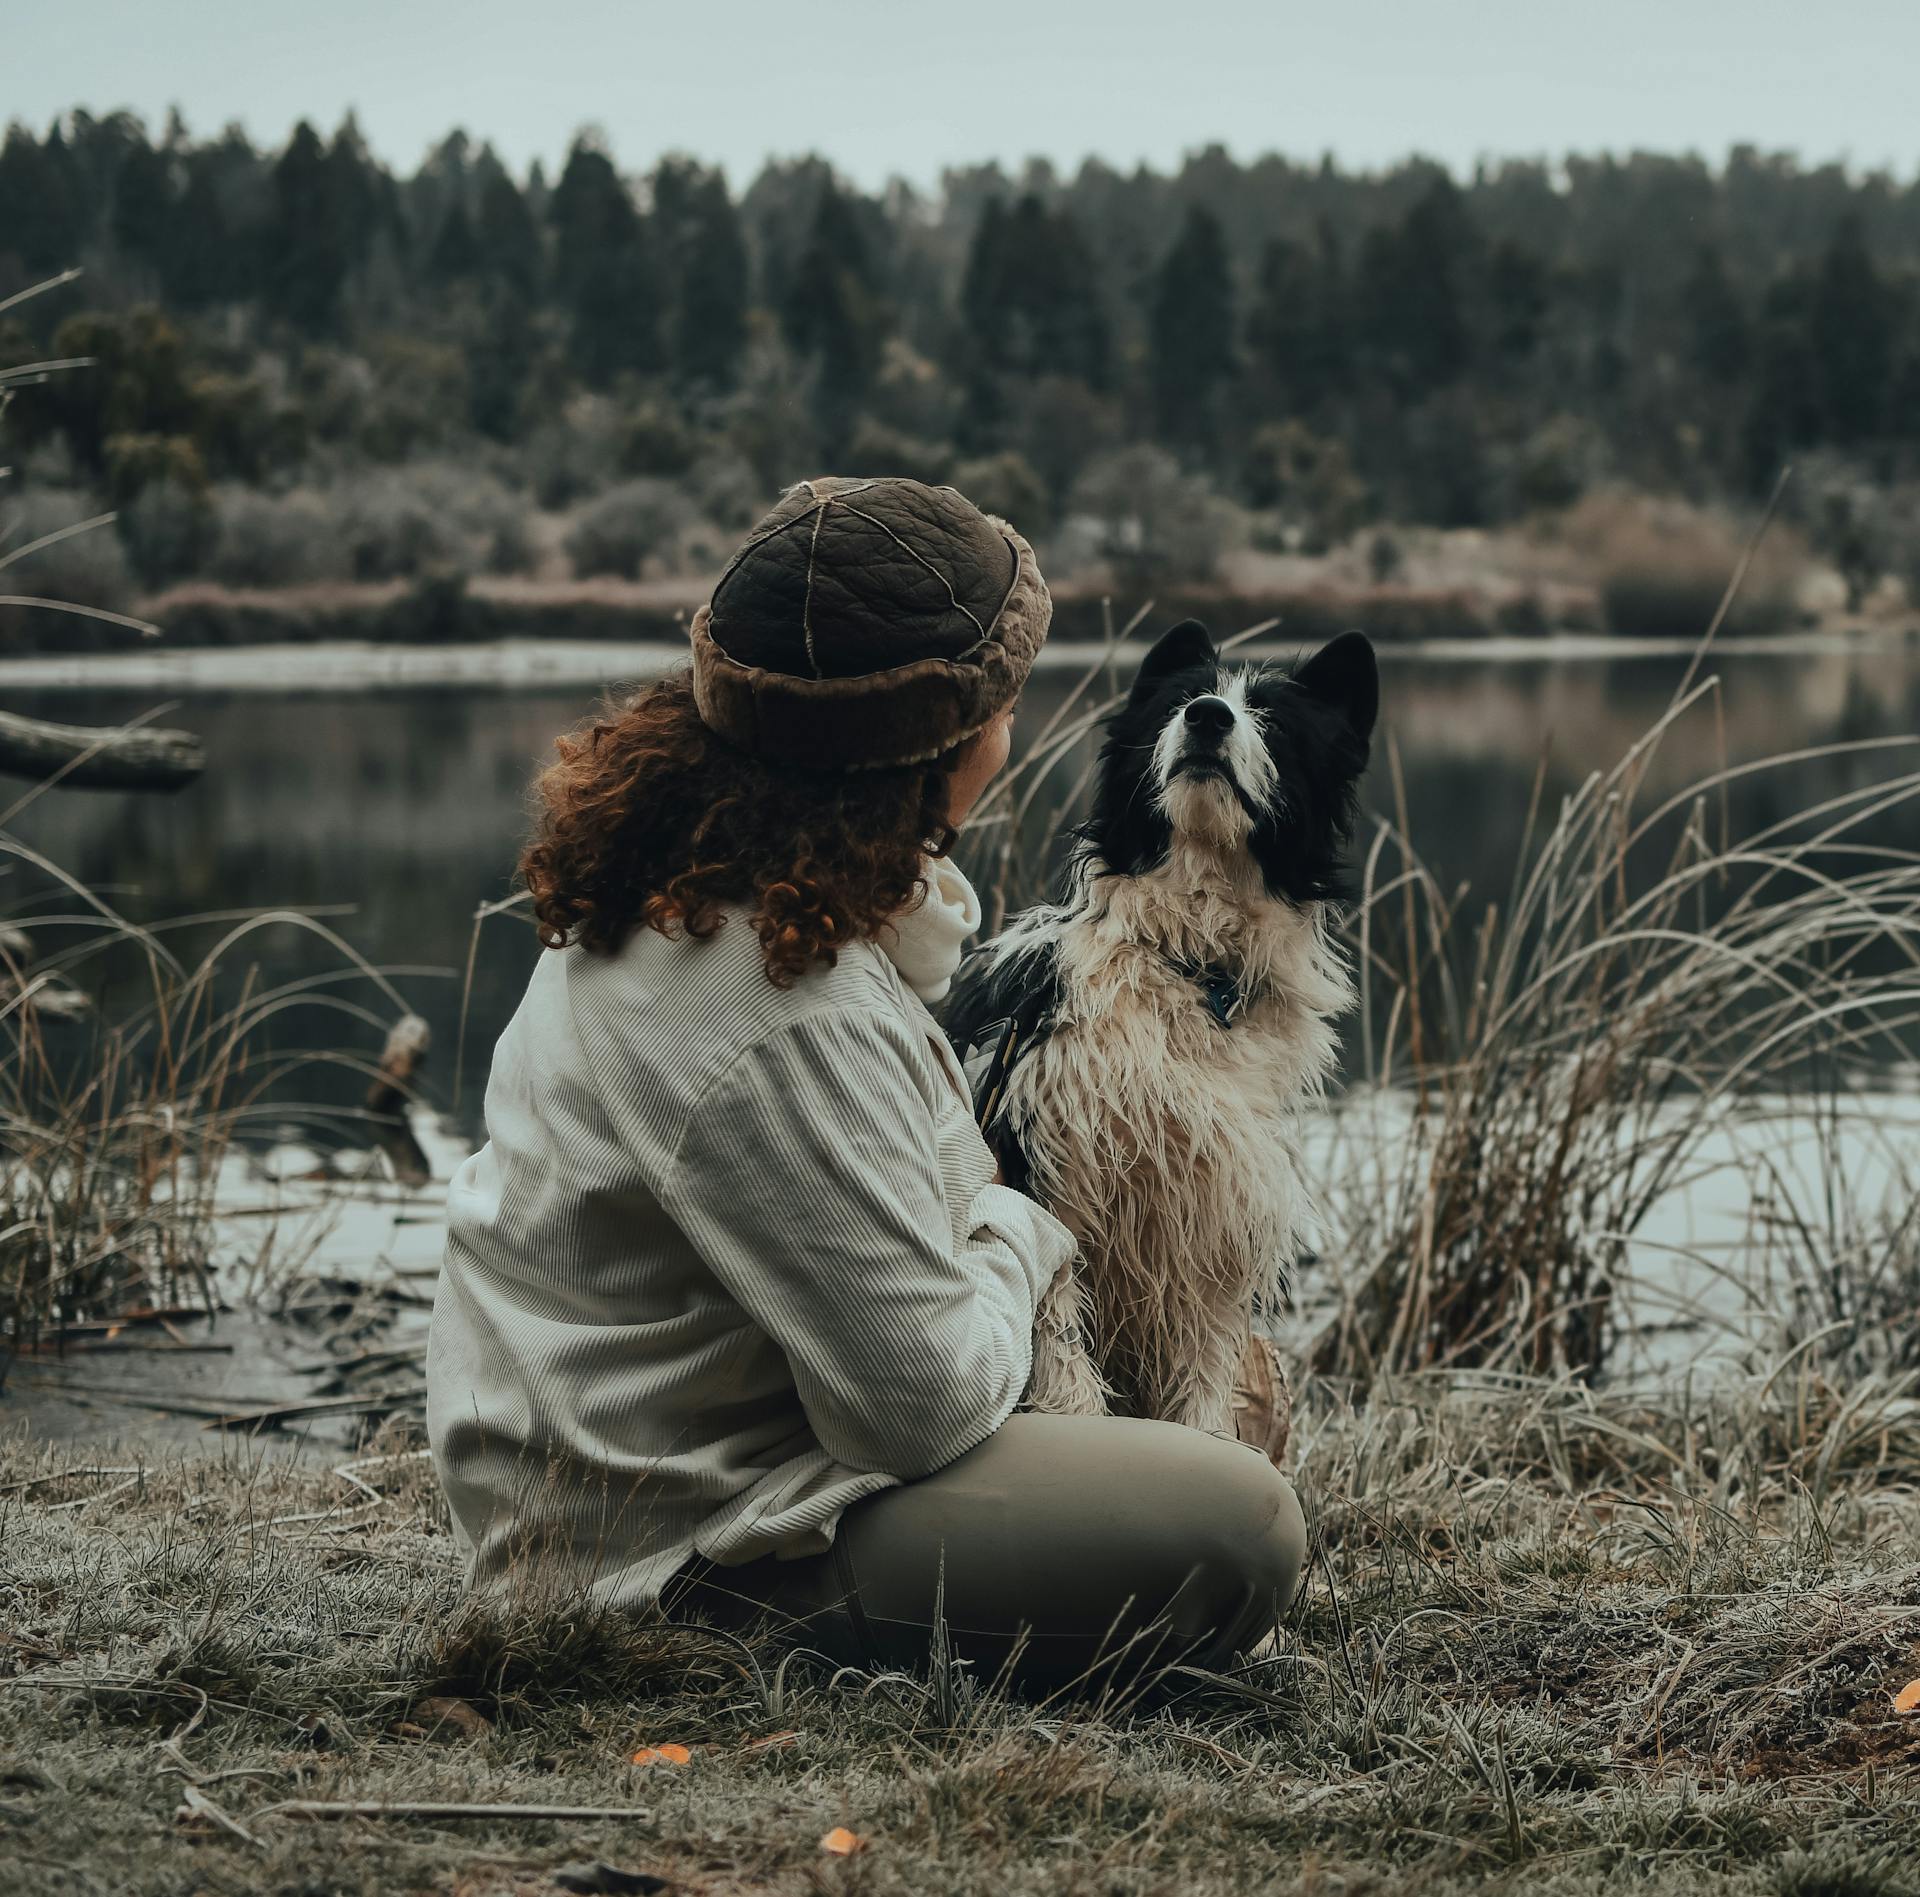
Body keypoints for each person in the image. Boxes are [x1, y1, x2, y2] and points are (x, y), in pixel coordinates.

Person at [426, 476, 1306, 1691]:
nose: (1018, 715)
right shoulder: (780, 1010)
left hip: (619, 1481)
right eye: (1005, 689)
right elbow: (922, 1407)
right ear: (947, 737)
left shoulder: (699, 887)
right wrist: (1015, 1224)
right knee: (1242, 1527)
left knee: (1232, 1419)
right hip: (673, 1550)